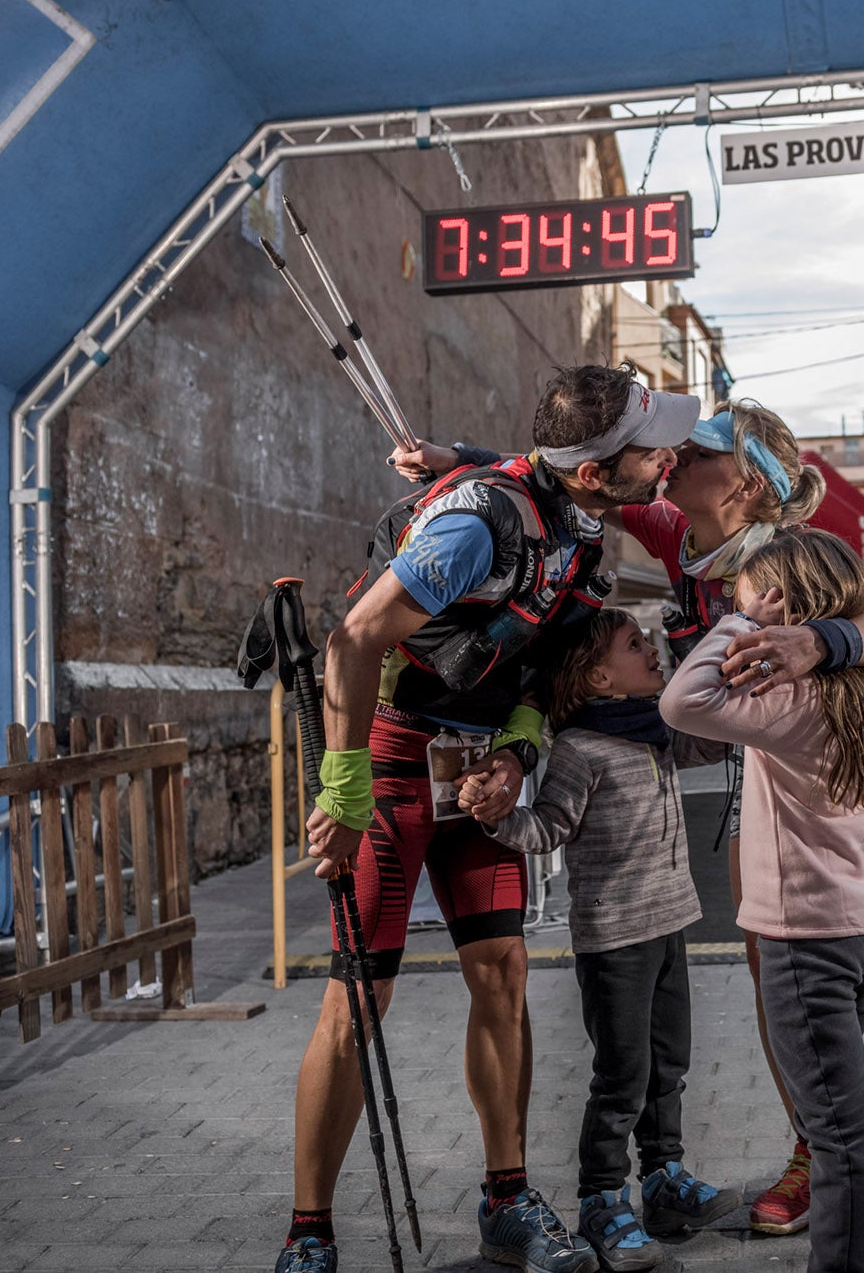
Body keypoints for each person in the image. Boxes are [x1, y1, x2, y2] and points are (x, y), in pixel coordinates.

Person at [396, 401, 864, 1271]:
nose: (674, 454)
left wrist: (817, 640)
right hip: (768, 763)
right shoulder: (677, 527)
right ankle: (816, 1151)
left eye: (701, 445)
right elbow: (575, 476)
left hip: (852, 770)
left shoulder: (785, 556)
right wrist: (458, 455)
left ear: (746, 479)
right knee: (771, 967)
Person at [280, 365, 698, 1273]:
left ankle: (506, 1201)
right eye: (652, 444)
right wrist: (342, 792)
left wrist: (514, 752)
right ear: (593, 469)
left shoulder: (584, 530)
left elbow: (542, 676)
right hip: (388, 749)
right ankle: (308, 1230)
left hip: (475, 761)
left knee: (502, 969)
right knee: (359, 999)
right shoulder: (478, 523)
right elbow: (353, 640)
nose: (668, 456)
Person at [659, 528, 864, 1273]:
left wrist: (739, 626)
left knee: (831, 1133)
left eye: (751, 589)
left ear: (785, 602)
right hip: (861, 927)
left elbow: (680, 701)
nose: (735, 597)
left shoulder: (787, 697)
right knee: (849, 1122)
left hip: (805, 943)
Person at [458, 608, 739, 1271]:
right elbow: (550, 827)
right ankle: (602, 1198)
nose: (651, 653)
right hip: (615, 938)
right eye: (636, 645)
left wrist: (683, 643)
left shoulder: (660, 733)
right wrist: (501, 821)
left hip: (670, 922)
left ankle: (665, 1180)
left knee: (669, 1061)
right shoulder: (580, 749)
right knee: (623, 1075)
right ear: (599, 676)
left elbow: (719, 736)